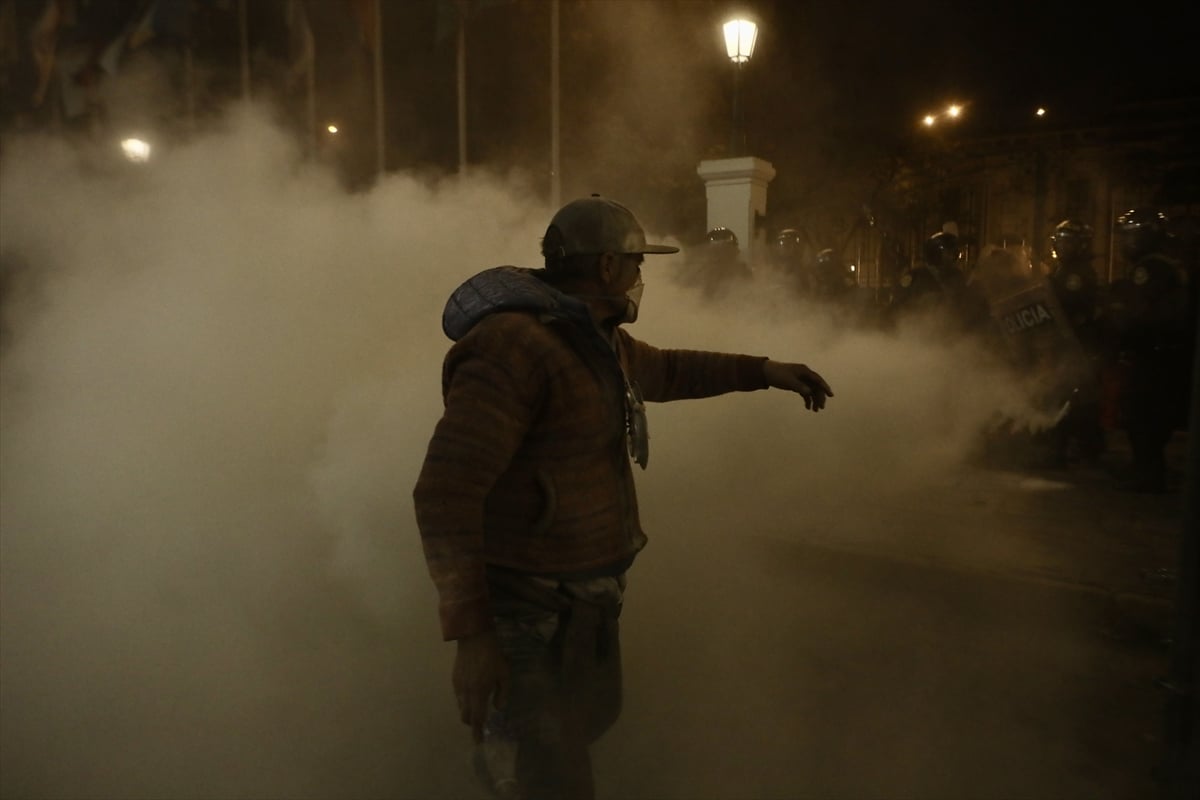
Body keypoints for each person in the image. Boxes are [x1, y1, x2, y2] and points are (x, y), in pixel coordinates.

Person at [412, 195, 833, 800]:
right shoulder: (513, 347)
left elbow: (668, 370)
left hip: (581, 605)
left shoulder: (590, 337)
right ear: (607, 265)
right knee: (550, 774)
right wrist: (473, 636)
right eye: (637, 262)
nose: (641, 275)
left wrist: (763, 371)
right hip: (529, 615)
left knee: (570, 739)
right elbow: (445, 491)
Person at [1108, 207, 1192, 492]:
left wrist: (1118, 313)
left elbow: (1140, 313)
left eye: (1130, 236)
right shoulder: (1166, 264)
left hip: (1154, 354)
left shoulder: (1152, 268)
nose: (1125, 243)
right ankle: (1144, 469)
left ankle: (1149, 474)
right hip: (1162, 353)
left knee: (1144, 416)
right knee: (1145, 415)